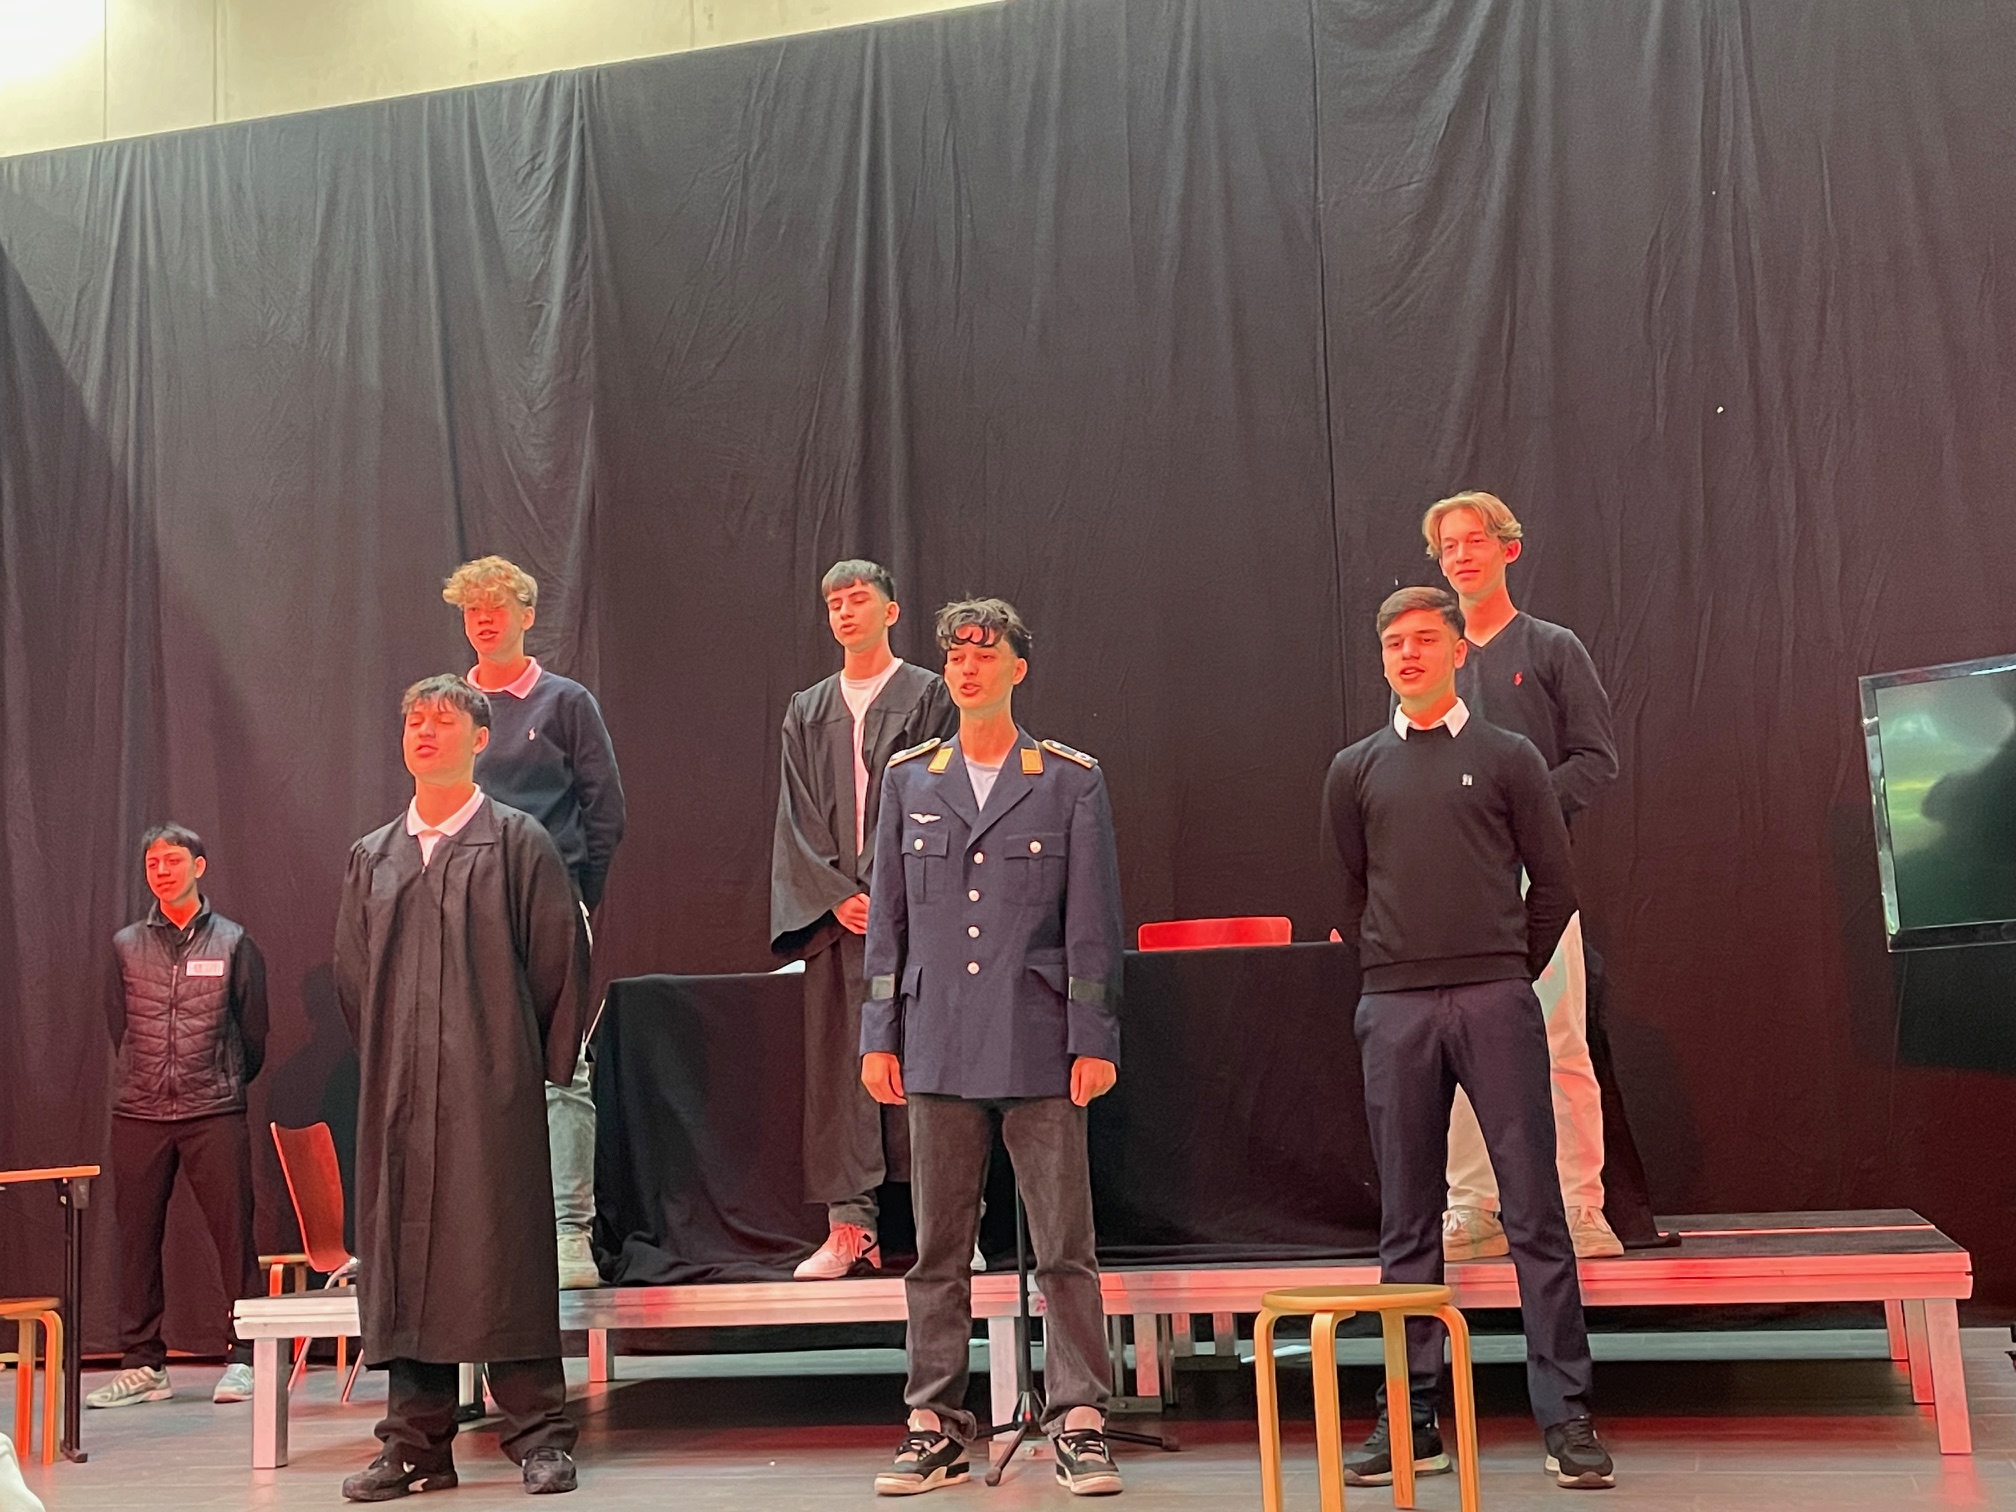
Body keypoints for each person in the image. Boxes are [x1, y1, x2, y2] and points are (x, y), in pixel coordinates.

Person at [1323, 586, 1614, 1491]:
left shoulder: (1509, 757)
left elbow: (1555, 885)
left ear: (1459, 651)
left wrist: (1505, 970)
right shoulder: (1355, 769)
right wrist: (1395, 970)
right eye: (1394, 644)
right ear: (1382, 659)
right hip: (1395, 1009)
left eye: (1425, 639)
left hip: (1495, 999)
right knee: (1406, 1221)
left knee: (1533, 1211)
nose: (1408, 654)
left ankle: (1566, 1417)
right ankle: (1412, 1416)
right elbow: (1349, 892)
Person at [860, 598, 1126, 1498]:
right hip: (937, 1038)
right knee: (937, 1250)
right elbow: (888, 922)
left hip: (1039, 1038)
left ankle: (1080, 1418)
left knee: (1065, 1247)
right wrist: (879, 1034)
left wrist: (1093, 1036)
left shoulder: (1068, 781)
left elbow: (1093, 924)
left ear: (1018, 668)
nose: (967, 668)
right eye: (956, 655)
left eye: (986, 654)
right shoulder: (910, 781)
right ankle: (933, 1423)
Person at [334, 675, 590, 1500]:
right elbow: (354, 979)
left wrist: (518, 1064)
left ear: (481, 740)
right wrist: (394, 1060)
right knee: (405, 1257)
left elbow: (557, 962)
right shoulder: (374, 855)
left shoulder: (517, 842)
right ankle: (416, 1445)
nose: (426, 731)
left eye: (444, 721)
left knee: (502, 1251)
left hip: (494, 1085)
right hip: (400, 1092)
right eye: (415, 720)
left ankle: (540, 1436)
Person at [1424, 492, 1622, 1262]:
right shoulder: (1436, 659)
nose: (1461, 556)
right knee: (1459, 1042)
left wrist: (1524, 811)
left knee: (1559, 1038)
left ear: (1508, 549)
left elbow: (1597, 760)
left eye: (1474, 541)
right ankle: (1474, 1207)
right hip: (1455, 887)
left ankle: (1578, 1204)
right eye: (1448, 547)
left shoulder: (1551, 648)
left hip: (1538, 880)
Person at [771, 559, 957, 1279]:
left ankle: (949, 1227)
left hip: (916, 914)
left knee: (931, 1059)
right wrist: (831, 894)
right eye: (835, 603)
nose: (846, 612)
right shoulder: (808, 708)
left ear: (891, 610)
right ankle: (850, 1228)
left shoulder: (929, 695)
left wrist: (889, 892)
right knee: (841, 1070)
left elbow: (940, 796)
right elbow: (796, 814)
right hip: (839, 923)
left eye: (859, 599)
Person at [443, 555, 626, 1292]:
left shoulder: (564, 702)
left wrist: (574, 890)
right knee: (470, 1071)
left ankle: (568, 1234)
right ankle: (485, 1236)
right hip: (463, 912)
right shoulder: (449, 706)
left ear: (526, 615)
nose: (484, 620)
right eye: (472, 609)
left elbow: (605, 810)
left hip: (550, 905)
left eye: (497, 606)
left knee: (561, 1070)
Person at [87, 825, 268, 1410]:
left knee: (233, 1237)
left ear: (199, 866)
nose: (162, 871)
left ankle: (244, 1357)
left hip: (213, 1109)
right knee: (136, 1240)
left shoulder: (234, 942)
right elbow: (119, 1026)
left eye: (172, 860)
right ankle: (143, 1363)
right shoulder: (125, 944)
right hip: (140, 1111)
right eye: (152, 863)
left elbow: (254, 1033)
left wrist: (219, 1077)